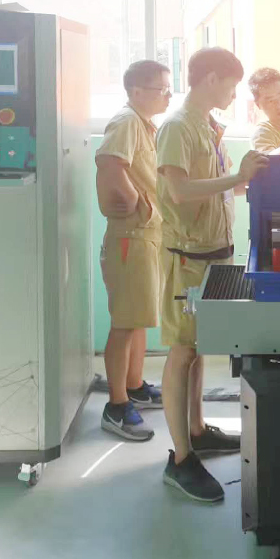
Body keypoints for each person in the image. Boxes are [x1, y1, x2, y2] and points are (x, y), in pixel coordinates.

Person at [156, 47, 269, 502]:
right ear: (210, 79)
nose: (234, 94)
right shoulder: (177, 127)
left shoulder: (206, 126)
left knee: (198, 346)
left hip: (212, 253)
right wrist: (236, 177)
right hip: (187, 259)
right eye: (231, 85)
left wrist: (251, 180)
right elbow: (180, 191)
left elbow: (216, 189)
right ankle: (181, 459)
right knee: (182, 350)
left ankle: (198, 430)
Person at [95, 60, 172, 442]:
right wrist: (135, 203)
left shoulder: (145, 125)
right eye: (162, 89)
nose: (168, 96)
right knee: (124, 322)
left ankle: (135, 385)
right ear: (137, 91)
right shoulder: (126, 121)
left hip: (145, 234)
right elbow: (110, 162)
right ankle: (116, 405)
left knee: (138, 315)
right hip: (131, 235)